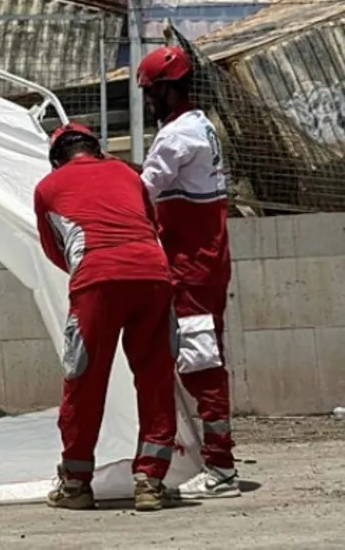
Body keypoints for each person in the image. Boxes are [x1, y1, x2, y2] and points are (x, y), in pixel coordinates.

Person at [34, 122, 177, 512]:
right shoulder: (128, 174)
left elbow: (54, 250)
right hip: (153, 274)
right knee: (155, 378)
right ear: (97, 149)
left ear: (56, 159)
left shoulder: (48, 188)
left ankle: (77, 485)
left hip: (96, 280)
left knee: (84, 381)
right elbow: (153, 225)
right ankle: (150, 481)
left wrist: (93, 270)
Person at [136, 45, 238, 499]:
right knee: (204, 356)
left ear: (168, 91)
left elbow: (143, 190)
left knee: (201, 362)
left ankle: (221, 468)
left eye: (152, 93)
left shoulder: (177, 137)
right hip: (208, 263)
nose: (148, 103)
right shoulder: (204, 129)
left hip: (191, 267)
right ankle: (215, 459)